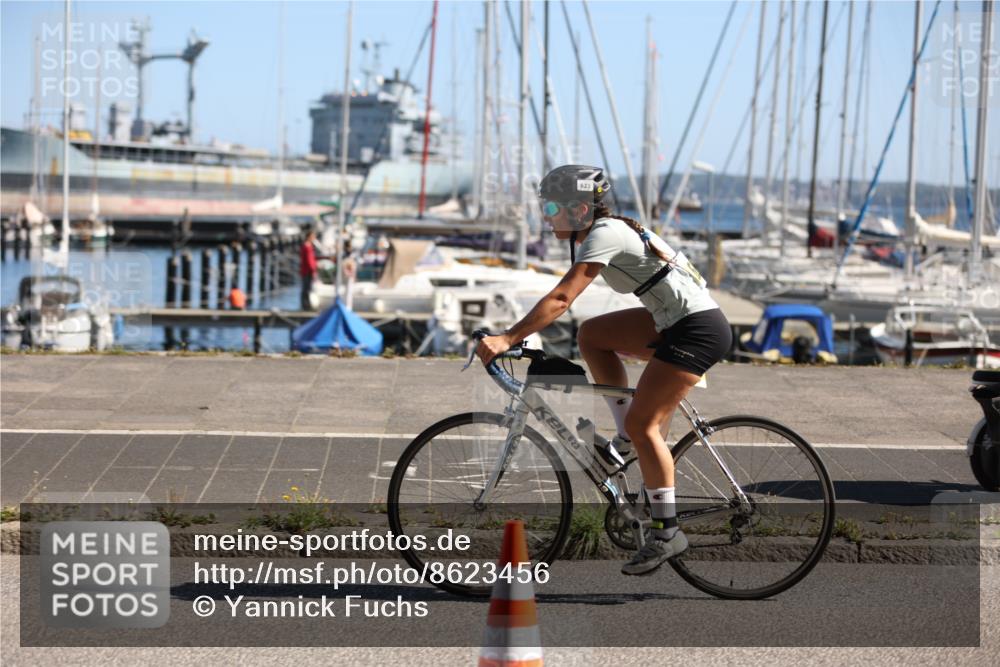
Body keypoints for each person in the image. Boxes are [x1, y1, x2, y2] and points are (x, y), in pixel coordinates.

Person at [475, 164, 732, 576]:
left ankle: (668, 532)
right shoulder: (602, 231)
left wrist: (508, 337)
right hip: (675, 320)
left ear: (580, 211)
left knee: (648, 426)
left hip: (697, 329)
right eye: (546, 205)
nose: (547, 214)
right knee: (593, 336)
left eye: (553, 206)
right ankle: (623, 444)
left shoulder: (605, 233)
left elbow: (562, 297)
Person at [299, 229, 320, 310]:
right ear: (309, 237)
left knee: (307, 288)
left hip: (307, 270)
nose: (314, 238)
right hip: (307, 271)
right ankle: (305, 305)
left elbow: (312, 258)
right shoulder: (307, 246)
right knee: (306, 288)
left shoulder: (308, 246)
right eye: (312, 236)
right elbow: (309, 260)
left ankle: (306, 304)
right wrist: (313, 270)